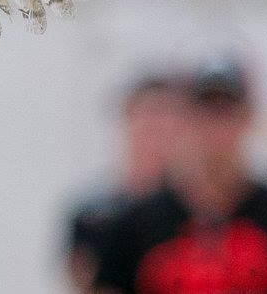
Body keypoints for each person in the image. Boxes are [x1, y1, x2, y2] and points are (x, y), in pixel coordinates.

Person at [93, 57, 267, 294]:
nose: (215, 128)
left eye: (226, 112)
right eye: (205, 112)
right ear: (184, 120)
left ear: (248, 117)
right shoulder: (136, 224)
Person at [64, 72, 182, 292]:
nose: (152, 134)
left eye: (161, 122)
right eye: (146, 120)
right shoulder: (92, 213)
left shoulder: (190, 210)